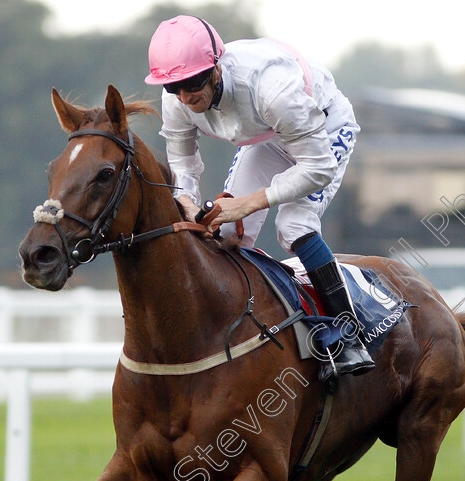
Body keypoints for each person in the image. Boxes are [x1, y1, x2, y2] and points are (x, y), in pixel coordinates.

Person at [144, 15, 373, 380]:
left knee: (293, 226)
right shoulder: (176, 98)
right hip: (268, 137)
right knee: (226, 233)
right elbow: (183, 165)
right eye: (175, 88)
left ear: (216, 68)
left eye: (192, 84)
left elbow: (318, 168)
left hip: (323, 135)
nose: (186, 97)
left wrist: (250, 202)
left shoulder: (271, 88)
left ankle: (349, 335)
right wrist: (186, 198)